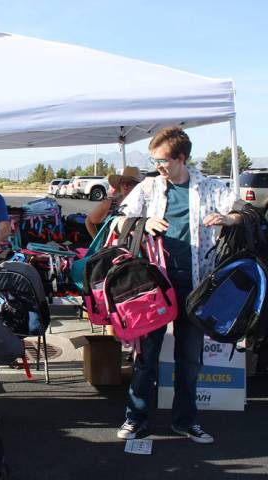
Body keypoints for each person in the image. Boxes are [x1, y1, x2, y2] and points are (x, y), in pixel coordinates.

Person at [117, 127, 241, 444]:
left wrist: (230, 219)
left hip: (196, 289)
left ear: (181, 158)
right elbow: (119, 219)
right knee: (145, 359)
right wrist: (143, 224)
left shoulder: (212, 187)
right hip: (154, 289)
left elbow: (243, 211)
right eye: (154, 159)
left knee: (190, 361)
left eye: (163, 160)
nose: (158, 166)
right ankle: (135, 419)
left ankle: (186, 422)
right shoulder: (148, 188)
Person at [85, 166, 141, 238]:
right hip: (112, 248)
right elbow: (89, 221)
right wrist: (98, 243)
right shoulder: (110, 204)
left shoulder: (143, 205)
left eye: (130, 183)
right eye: (123, 182)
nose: (125, 185)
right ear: (120, 184)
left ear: (138, 186)